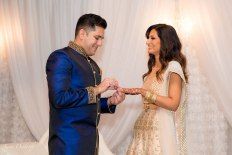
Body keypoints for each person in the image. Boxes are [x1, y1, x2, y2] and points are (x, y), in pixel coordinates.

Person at [46, 13, 125, 155]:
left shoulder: (93, 66)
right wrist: (98, 89)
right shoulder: (61, 57)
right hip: (67, 145)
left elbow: (87, 105)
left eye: (102, 39)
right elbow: (59, 98)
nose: (100, 43)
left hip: (91, 145)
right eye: (97, 37)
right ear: (82, 33)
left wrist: (110, 102)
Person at [123, 24, 188, 155]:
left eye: (152, 38)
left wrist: (144, 92)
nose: (147, 42)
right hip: (142, 129)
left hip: (160, 132)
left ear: (165, 41)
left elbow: (173, 103)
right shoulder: (152, 69)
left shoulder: (173, 67)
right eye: (148, 38)